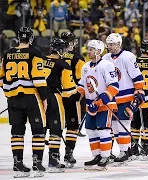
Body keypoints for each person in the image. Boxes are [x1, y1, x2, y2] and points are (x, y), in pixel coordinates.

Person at [0, 27, 47, 178]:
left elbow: (1, 78)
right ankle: (37, 162)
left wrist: (9, 92)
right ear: (31, 38)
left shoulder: (7, 54)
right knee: (38, 130)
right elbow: (39, 78)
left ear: (19, 38)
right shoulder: (35, 53)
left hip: (13, 98)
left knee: (17, 132)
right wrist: (44, 97)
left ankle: (17, 163)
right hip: (31, 97)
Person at [102, 33, 144, 165]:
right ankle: (126, 150)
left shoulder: (128, 57)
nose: (109, 47)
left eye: (112, 44)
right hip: (112, 97)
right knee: (114, 127)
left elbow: (137, 78)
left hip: (126, 97)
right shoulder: (105, 58)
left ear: (119, 44)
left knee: (124, 125)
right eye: (108, 44)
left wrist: (138, 92)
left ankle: (125, 151)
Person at [77, 40, 119, 170]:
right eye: (88, 48)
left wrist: (102, 99)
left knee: (103, 130)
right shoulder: (85, 66)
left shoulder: (107, 65)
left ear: (99, 51)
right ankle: (96, 156)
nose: (88, 51)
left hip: (105, 105)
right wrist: (77, 95)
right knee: (90, 131)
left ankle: (105, 156)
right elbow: (82, 85)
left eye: (91, 49)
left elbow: (114, 85)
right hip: (90, 106)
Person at [43, 38, 77, 172]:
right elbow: (69, 90)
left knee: (40, 130)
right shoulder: (63, 65)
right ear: (60, 50)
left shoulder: (40, 60)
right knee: (56, 129)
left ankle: (37, 160)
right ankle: (53, 160)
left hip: (39, 98)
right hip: (54, 99)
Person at [60, 31, 85, 167]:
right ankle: (68, 153)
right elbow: (81, 80)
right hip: (71, 96)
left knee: (55, 127)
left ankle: (54, 155)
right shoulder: (78, 58)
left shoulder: (52, 56)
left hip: (55, 97)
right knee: (72, 127)